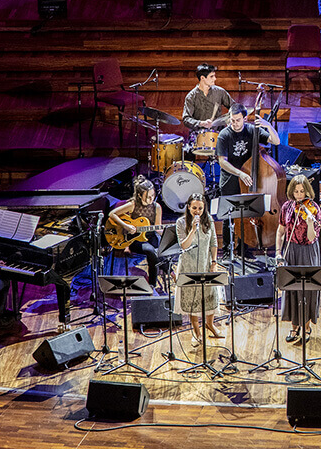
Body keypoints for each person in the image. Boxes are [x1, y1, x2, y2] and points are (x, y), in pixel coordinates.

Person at [216, 103, 281, 252]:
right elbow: (222, 162)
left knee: (246, 214)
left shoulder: (252, 131)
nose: (235, 123)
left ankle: (243, 249)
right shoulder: (224, 135)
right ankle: (227, 250)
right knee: (229, 217)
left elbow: (276, 141)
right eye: (232, 120)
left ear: (245, 118)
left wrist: (268, 125)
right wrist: (240, 173)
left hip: (248, 179)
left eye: (238, 120)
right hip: (231, 179)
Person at [276, 175, 321, 344]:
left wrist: (310, 223)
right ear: (291, 192)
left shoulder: (314, 208)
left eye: (302, 191)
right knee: (292, 288)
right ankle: (294, 326)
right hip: (291, 250)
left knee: (308, 289)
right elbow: (280, 232)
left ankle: (307, 325)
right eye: (296, 191)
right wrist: (278, 252)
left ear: (307, 190)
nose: (299, 195)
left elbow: (311, 238)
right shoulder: (287, 207)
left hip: (308, 251)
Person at [174, 194, 223, 347]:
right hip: (188, 265)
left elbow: (214, 242)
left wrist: (214, 261)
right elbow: (184, 245)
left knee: (210, 295)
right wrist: (193, 230)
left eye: (200, 208)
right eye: (194, 208)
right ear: (188, 207)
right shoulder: (181, 222)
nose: (197, 211)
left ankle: (210, 324)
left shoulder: (208, 219)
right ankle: (196, 331)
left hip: (205, 263)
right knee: (192, 299)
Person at [108, 176, 165, 287]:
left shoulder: (156, 207)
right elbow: (112, 214)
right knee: (152, 252)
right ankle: (155, 283)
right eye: (148, 197)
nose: (151, 199)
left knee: (161, 252)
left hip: (151, 237)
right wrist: (127, 226)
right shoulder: (132, 205)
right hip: (136, 240)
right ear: (139, 195)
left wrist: (169, 235)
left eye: (153, 195)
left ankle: (159, 281)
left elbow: (158, 227)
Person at [182, 63, 234, 130]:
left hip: (218, 132)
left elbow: (234, 106)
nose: (215, 79)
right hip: (198, 134)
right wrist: (201, 123)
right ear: (202, 78)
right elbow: (186, 119)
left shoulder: (220, 92)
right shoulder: (191, 96)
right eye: (211, 76)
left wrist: (233, 116)